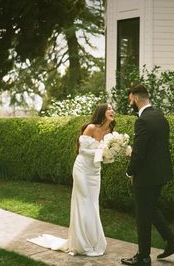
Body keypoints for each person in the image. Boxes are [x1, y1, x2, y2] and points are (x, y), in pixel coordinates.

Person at [28, 103, 115, 257]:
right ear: (102, 112)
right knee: (84, 202)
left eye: (112, 109)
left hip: (95, 172)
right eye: (108, 108)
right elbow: (82, 150)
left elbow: (107, 156)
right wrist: (100, 150)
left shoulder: (110, 132)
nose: (112, 111)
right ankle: (81, 244)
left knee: (93, 204)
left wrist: (109, 154)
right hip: (82, 169)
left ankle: (93, 241)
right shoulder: (91, 128)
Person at [121, 85, 174, 266]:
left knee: (143, 215)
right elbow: (155, 148)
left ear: (136, 98)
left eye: (130, 99)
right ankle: (172, 242)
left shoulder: (143, 121)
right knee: (151, 209)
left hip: (146, 177)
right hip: (160, 174)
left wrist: (129, 171)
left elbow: (139, 153)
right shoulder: (160, 116)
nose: (130, 103)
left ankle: (143, 257)